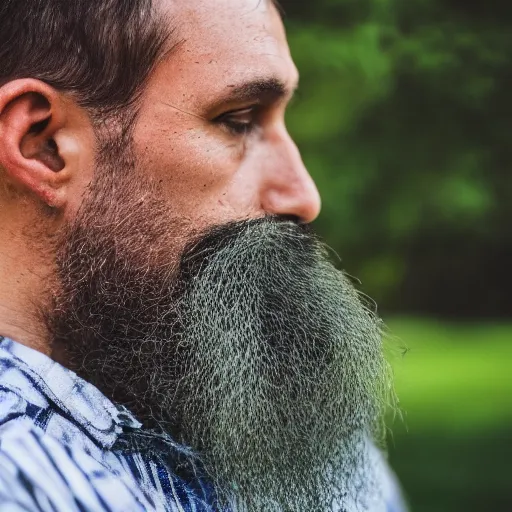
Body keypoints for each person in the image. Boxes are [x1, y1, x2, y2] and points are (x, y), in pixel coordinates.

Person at [0, 0, 407, 510]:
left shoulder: (300, 431)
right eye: (237, 121)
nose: (303, 195)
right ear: (44, 146)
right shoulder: (20, 481)